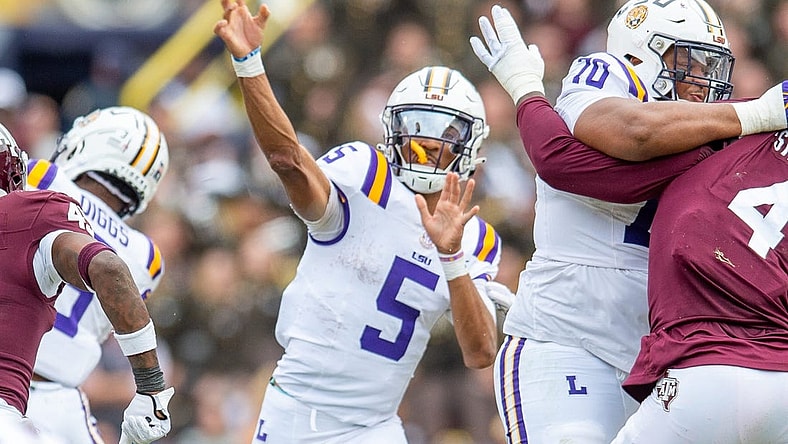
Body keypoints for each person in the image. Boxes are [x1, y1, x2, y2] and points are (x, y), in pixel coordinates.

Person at [470, 1, 788, 443]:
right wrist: (750, 116)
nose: (704, 78)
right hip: (568, 339)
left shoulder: (710, 124)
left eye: (712, 63)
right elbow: (608, 145)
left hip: (655, 357)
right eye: (688, 59)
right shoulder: (610, 75)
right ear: (639, 53)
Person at [214, 1, 514, 442]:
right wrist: (249, 63)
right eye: (417, 127)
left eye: (443, 136)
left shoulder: (474, 236)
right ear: (393, 128)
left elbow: (482, 351)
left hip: (375, 426)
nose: (426, 146)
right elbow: (288, 161)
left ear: (469, 147)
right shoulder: (365, 173)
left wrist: (451, 256)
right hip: (298, 412)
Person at [0, 123, 175, 443]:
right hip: (63, 402)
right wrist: (151, 386)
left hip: (14, 383)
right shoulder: (148, 258)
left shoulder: (44, 179)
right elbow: (115, 300)